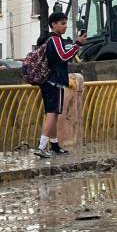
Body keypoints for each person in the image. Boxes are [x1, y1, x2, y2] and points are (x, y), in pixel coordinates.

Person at [34, 12, 86, 158]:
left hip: (49, 81)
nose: (65, 26)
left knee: (54, 113)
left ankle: (55, 145)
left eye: (65, 23)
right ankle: (41, 147)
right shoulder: (54, 39)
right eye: (62, 23)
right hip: (54, 81)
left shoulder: (49, 39)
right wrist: (78, 44)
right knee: (52, 113)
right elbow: (64, 56)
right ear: (53, 24)